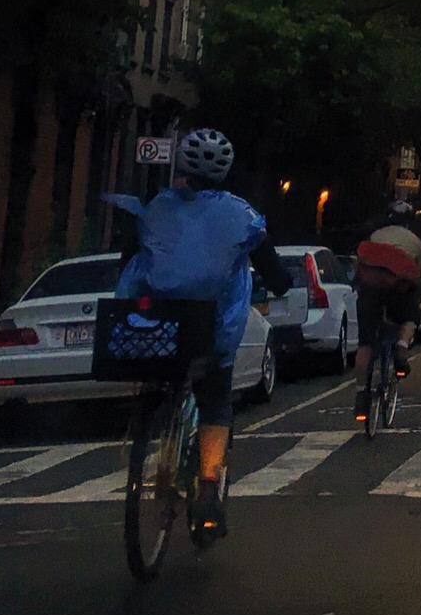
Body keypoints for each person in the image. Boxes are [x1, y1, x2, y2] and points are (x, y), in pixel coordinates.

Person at [114, 126, 291, 544]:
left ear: (181, 168)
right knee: (215, 403)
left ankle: (150, 425)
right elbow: (274, 273)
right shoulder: (242, 215)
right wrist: (280, 285)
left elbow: (129, 261)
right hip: (210, 331)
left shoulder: (156, 208)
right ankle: (209, 487)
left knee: (159, 376)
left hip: (153, 326)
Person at [353, 197, 421, 421]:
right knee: (412, 314)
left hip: (370, 293)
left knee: (365, 345)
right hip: (398, 291)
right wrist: (420, 299)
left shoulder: (375, 236)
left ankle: (361, 397)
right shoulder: (414, 241)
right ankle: (401, 349)